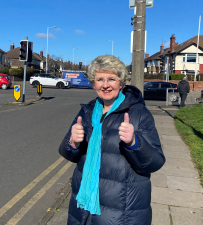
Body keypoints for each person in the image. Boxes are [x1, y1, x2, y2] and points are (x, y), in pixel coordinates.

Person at [59, 55, 165, 225]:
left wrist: (134, 143)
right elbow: (67, 153)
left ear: (121, 83)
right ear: (93, 84)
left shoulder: (139, 114)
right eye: (100, 79)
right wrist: (73, 143)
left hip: (122, 213)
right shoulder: (86, 112)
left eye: (112, 79)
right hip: (82, 209)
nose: (106, 85)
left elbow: (156, 162)